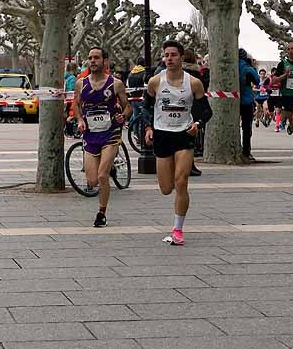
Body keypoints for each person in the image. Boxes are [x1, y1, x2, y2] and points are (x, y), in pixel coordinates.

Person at [143, 40, 211, 246]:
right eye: (166, 55)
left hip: (183, 134)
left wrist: (197, 123)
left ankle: (178, 229)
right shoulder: (155, 82)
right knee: (166, 188)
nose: (169, 58)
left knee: (181, 181)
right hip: (163, 135)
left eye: (173, 55)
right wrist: (148, 128)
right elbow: (146, 108)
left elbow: (206, 111)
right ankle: (174, 191)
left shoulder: (194, 83)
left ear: (181, 57)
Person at [73, 47, 131, 228]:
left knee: (102, 175)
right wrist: (80, 119)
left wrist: (124, 116)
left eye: (96, 58)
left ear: (105, 61)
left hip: (110, 133)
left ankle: (101, 213)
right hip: (90, 135)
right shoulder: (81, 83)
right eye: (90, 58)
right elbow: (76, 104)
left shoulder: (116, 83)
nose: (92, 61)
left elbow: (128, 106)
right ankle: (109, 168)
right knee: (92, 181)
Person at [237, 49, 260, 163]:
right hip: (246, 100)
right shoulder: (248, 68)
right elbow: (257, 81)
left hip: (232, 102)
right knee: (246, 128)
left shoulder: (231, 66)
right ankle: (246, 151)